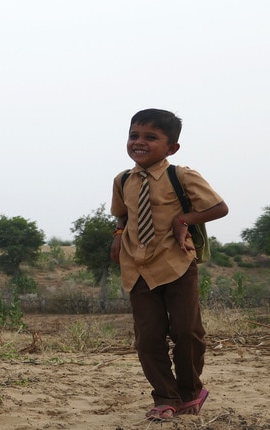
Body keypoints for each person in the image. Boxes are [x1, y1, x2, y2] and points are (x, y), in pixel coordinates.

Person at [110, 108, 228, 421]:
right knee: (148, 337)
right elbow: (123, 213)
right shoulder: (122, 180)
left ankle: (190, 391)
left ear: (171, 147)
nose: (140, 142)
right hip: (138, 267)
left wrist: (183, 220)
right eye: (134, 136)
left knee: (187, 332)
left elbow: (219, 207)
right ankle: (165, 396)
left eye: (151, 137)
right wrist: (119, 234)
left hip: (176, 263)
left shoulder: (182, 175)